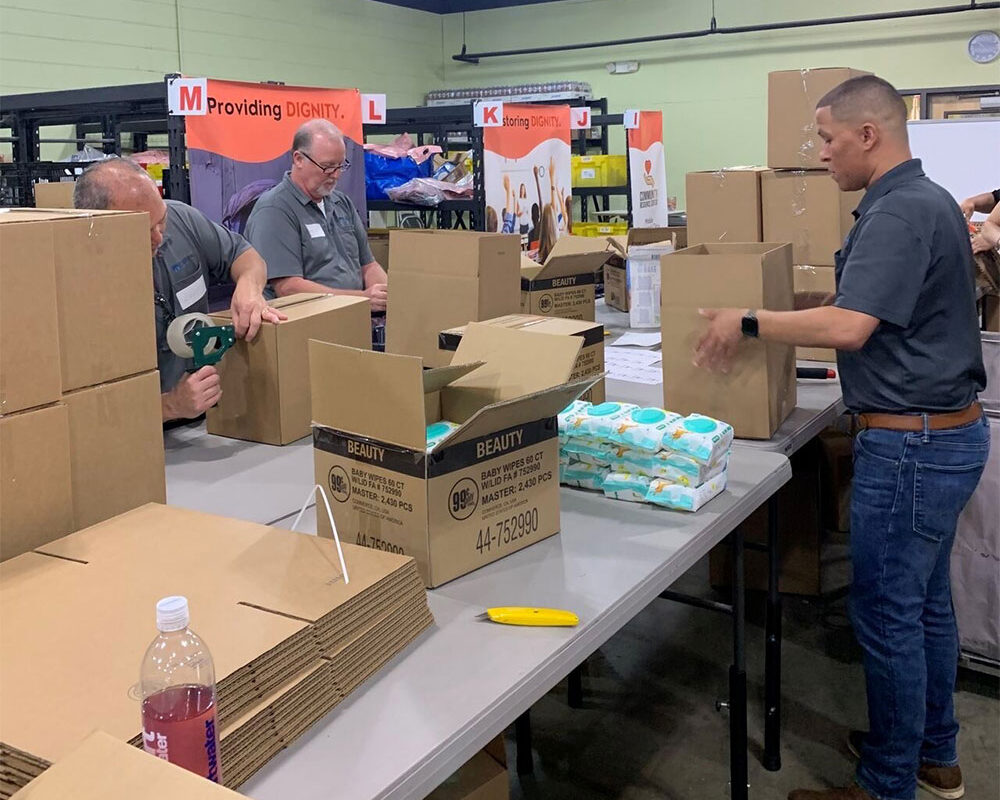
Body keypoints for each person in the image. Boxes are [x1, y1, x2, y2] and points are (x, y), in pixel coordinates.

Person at [694, 75, 988, 800]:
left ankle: (886, 784)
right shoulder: (926, 202)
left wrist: (749, 322)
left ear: (868, 135)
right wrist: (795, 304)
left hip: (911, 446)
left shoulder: (897, 212)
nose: (820, 154)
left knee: (887, 617)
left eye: (827, 139)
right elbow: (868, 301)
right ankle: (933, 755)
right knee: (925, 607)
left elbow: (852, 329)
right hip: (947, 437)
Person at [73, 159, 285, 423]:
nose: (159, 237)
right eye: (143, 229)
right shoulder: (75, 287)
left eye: (161, 221)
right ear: (97, 227)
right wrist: (170, 406)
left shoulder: (182, 219)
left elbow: (245, 257)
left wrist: (250, 289)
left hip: (208, 422)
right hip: (140, 437)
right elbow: (86, 412)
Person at [244, 119, 387, 312]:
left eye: (340, 166)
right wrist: (361, 300)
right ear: (298, 159)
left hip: (354, 316)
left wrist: (386, 296)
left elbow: (368, 265)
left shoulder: (341, 203)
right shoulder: (274, 210)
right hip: (306, 322)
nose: (335, 175)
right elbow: (288, 288)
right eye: (327, 166)